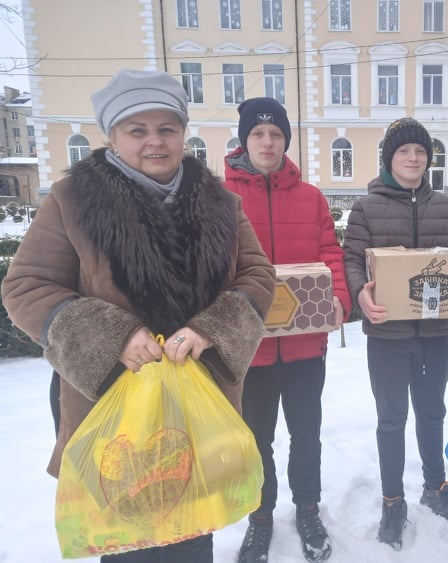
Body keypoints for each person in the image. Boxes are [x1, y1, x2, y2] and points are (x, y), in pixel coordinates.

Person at [0, 69, 277, 563]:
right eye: (137, 130)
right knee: (128, 536)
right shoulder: (71, 202)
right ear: (113, 136)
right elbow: (26, 287)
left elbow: (257, 276)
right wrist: (113, 337)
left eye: (167, 128)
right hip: (111, 399)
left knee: (193, 527)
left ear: (183, 133)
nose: (155, 141)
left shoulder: (222, 204)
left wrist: (210, 328)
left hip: (198, 397)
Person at [343, 117, 448, 551]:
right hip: (386, 336)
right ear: (389, 158)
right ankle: (393, 502)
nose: (413, 158)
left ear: (429, 158)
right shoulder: (366, 209)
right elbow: (352, 259)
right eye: (404, 150)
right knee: (391, 420)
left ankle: (435, 487)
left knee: (431, 413)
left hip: (434, 333)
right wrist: (360, 292)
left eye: (421, 151)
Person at [224, 97, 352, 563]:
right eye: (258, 134)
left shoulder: (311, 197)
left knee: (306, 434)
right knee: (256, 439)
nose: (267, 142)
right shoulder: (221, 198)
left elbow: (330, 252)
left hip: (304, 346)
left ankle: (308, 509)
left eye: (275, 134)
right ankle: (260, 518)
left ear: (286, 140)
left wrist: (339, 299)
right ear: (244, 140)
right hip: (249, 350)